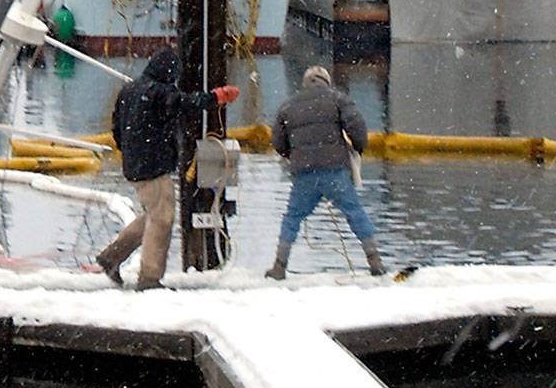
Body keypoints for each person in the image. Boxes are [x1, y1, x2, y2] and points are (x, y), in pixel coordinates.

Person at [95, 48, 237, 290]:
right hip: (153, 166)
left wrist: (129, 151)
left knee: (152, 214)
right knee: (162, 219)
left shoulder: (129, 90)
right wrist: (215, 98)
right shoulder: (159, 91)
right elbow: (184, 103)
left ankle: (110, 257)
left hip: (134, 164)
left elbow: (117, 127)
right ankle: (149, 279)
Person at [266, 64, 385, 279]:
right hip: (334, 170)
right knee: (354, 212)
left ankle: (279, 265)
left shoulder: (288, 106)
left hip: (304, 175)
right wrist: (358, 148)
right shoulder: (338, 99)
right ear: (326, 82)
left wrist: (294, 156)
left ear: (305, 83)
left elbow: (277, 141)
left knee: (292, 217)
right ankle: (375, 261)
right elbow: (357, 128)